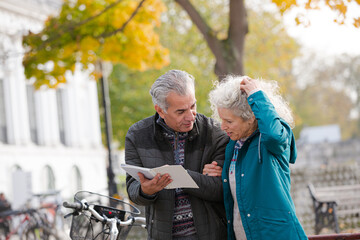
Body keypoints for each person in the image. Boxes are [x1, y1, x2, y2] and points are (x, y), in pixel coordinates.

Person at [125, 69, 229, 240]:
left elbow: (221, 189)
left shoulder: (215, 133)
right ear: (160, 110)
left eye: (193, 106)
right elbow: (133, 191)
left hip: (212, 235)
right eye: (181, 112)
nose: (190, 116)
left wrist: (181, 176)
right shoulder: (137, 135)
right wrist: (145, 190)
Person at [203, 75, 307, 240]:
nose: (223, 127)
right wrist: (221, 174)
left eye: (229, 121)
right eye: (221, 119)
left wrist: (257, 96)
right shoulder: (234, 145)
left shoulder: (273, 139)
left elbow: (274, 136)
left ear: (251, 118)